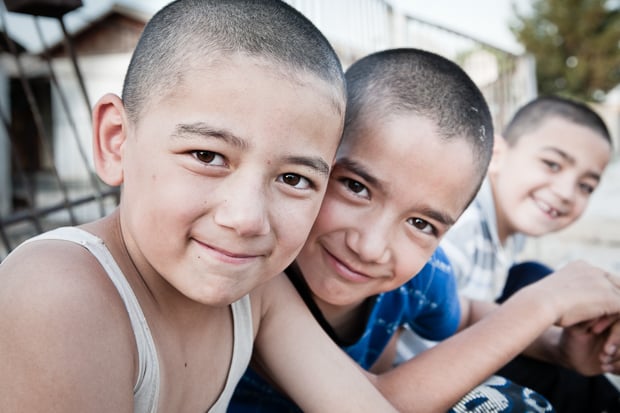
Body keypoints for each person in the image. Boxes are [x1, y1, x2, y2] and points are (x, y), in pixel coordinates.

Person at [0, 1, 399, 412]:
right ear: (116, 140)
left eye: (293, 179)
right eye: (207, 156)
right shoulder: (57, 293)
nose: (246, 219)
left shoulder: (254, 295)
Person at [229, 48, 620, 413]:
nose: (370, 246)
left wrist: (560, 348)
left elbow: (466, 312)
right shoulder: (256, 271)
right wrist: (540, 303)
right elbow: (374, 402)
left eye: (421, 224)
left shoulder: (425, 275)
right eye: (356, 187)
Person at [434, 95, 619, 412]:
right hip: (432, 368)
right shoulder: (458, 228)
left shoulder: (509, 227)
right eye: (552, 164)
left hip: (466, 330)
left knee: (531, 275)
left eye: (585, 186)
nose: (565, 192)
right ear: (497, 154)